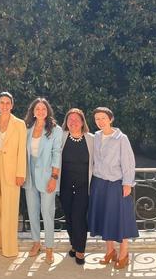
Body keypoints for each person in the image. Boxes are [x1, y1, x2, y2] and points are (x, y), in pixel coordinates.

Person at [88, 107, 139, 269]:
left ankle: (124, 253)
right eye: (97, 119)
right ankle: (110, 251)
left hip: (116, 183)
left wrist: (127, 183)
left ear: (111, 119)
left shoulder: (121, 138)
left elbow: (128, 162)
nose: (100, 121)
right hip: (98, 183)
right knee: (105, 217)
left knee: (120, 218)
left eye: (103, 118)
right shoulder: (95, 137)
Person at [0, 92, 27, 258]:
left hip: (12, 169)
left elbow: (22, 150)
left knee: (10, 208)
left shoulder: (19, 124)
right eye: (1, 102)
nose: (4, 105)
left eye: (7, 103)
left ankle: (9, 247)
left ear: (12, 105)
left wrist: (20, 173)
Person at [23, 98, 63, 264]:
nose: (40, 111)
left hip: (47, 175)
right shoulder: (27, 128)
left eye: (43, 109)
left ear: (48, 111)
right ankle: (36, 243)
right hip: (29, 174)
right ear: (33, 111)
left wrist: (54, 177)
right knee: (32, 211)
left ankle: (49, 248)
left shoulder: (55, 130)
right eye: (37, 109)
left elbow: (56, 154)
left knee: (47, 212)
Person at [59, 108, 94, 265]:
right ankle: (74, 244)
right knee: (69, 217)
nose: (73, 122)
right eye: (70, 119)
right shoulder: (61, 137)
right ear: (66, 122)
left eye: (76, 119)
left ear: (82, 122)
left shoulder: (91, 139)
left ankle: (80, 250)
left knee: (79, 217)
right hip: (65, 185)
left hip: (83, 186)